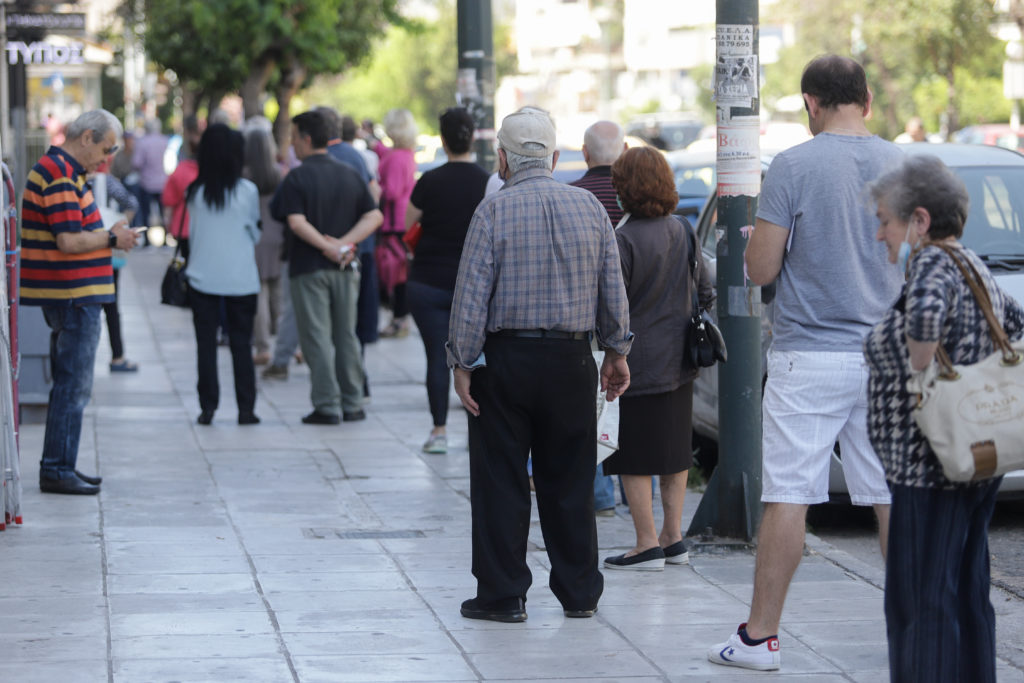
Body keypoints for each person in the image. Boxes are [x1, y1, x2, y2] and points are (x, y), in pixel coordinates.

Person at [708, 55, 903, 671]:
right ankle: (913, 629)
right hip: (887, 358)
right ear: (867, 100)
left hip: (809, 357)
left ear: (811, 104)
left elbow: (761, 270)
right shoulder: (905, 165)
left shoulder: (792, 165)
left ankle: (760, 638)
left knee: (789, 494)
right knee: (892, 497)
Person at [447, 108, 632, 622]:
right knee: (569, 480)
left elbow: (470, 300)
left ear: (502, 159)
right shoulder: (591, 209)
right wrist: (616, 352)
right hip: (572, 360)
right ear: (554, 157)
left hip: (506, 362)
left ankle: (503, 596)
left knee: (501, 480)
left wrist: (461, 362)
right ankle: (579, 594)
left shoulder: (491, 212)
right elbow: (612, 292)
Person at [865, 155, 1024, 683]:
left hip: (927, 466)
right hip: (975, 457)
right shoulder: (971, 263)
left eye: (886, 220)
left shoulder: (932, 263)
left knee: (919, 601)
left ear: (920, 220)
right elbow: (1016, 325)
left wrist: (919, 355)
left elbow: (926, 327)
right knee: (967, 592)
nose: (881, 234)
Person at [601, 146, 714, 570]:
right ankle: (673, 537)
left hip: (634, 363)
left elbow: (614, 306)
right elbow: (705, 289)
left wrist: (610, 351)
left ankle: (645, 543)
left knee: (633, 454)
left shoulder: (622, 239)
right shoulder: (683, 229)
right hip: (680, 361)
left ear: (626, 189)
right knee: (674, 450)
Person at [20, 109, 138, 495]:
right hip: (72, 293)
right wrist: (111, 238)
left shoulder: (67, 172)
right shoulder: (58, 174)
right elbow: (68, 241)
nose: (106, 160)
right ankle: (56, 468)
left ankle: (60, 463)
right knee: (73, 384)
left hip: (74, 291)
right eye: (105, 150)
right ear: (86, 137)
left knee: (71, 383)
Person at [270, 111, 382, 424]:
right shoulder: (349, 173)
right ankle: (353, 401)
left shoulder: (297, 177)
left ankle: (327, 404)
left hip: (309, 267)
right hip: (346, 268)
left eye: (294, 138)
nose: (292, 145)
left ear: (306, 139)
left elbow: (295, 221)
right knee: (346, 334)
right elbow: (374, 216)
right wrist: (344, 245)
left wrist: (327, 246)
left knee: (316, 336)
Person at [404, 107, 489, 455]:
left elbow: (407, 225)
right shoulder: (487, 181)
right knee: (479, 361)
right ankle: (479, 431)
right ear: (472, 137)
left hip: (427, 282)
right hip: (474, 288)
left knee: (437, 358)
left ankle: (439, 430)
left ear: (442, 139)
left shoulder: (430, 181)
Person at [183, 123, 262, 426]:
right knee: (242, 344)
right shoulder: (247, 192)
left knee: (205, 346)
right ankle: (246, 408)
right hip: (241, 279)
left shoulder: (196, 193)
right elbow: (254, 233)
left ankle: (208, 407)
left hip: (202, 278)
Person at [570, 120, 627, 516]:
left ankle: (600, 495)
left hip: (588, 325)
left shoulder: (573, 197)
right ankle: (642, 497)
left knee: (593, 407)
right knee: (632, 408)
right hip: (636, 323)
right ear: (622, 152)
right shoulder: (638, 199)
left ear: (585, 154)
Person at [91, 158, 141, 372]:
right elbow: (132, 203)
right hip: (108, 250)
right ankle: (117, 356)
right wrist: (121, 224)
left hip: (85, 251)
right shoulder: (108, 182)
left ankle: (87, 358)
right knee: (111, 305)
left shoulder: (77, 181)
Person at [242, 123, 285, 367]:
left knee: (259, 294)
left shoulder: (244, 175)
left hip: (255, 238)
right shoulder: (277, 173)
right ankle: (288, 345)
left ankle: (263, 346)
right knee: (279, 294)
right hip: (277, 236)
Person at [374, 108, 417, 338]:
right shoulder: (406, 154)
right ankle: (400, 319)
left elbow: (390, 191)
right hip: (402, 219)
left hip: (393, 222)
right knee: (400, 273)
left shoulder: (396, 157)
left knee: (396, 274)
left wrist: (373, 187)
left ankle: (399, 320)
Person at [161, 115, 202, 257]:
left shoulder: (181, 171)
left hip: (183, 225)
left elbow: (169, 200)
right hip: (203, 227)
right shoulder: (211, 172)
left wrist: (168, 223)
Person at [131, 118, 168, 235]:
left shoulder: (143, 142)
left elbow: (137, 163)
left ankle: (147, 240)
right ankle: (165, 240)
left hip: (147, 182)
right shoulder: (164, 140)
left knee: (146, 212)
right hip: (162, 182)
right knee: (163, 212)